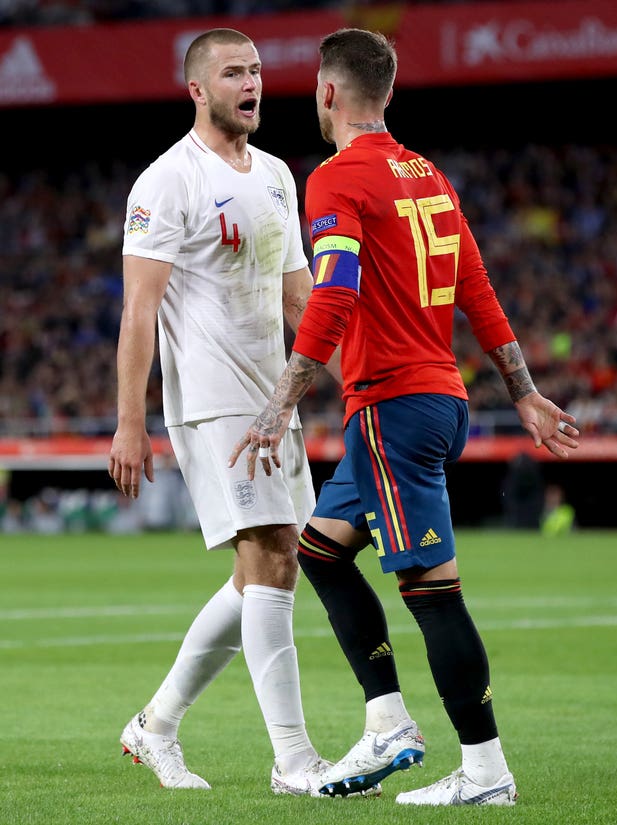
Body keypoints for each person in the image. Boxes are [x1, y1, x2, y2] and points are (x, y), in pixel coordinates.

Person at [229, 27, 580, 807]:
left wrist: (280, 399)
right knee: (321, 552)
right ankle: (386, 717)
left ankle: (486, 771)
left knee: (434, 593)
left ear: (327, 92)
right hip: (434, 400)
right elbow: (476, 284)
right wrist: (518, 388)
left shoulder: (333, 179)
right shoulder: (429, 173)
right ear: (387, 93)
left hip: (393, 408)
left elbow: (336, 291)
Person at [107, 28, 366, 798]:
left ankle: (155, 724)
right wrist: (130, 420)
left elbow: (299, 298)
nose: (250, 83)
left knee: (266, 568)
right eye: (232, 73)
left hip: (271, 400)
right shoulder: (165, 183)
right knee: (278, 556)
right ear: (197, 90)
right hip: (214, 403)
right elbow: (138, 311)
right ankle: (294, 760)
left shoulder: (282, 176)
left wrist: (352, 385)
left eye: (255, 71)